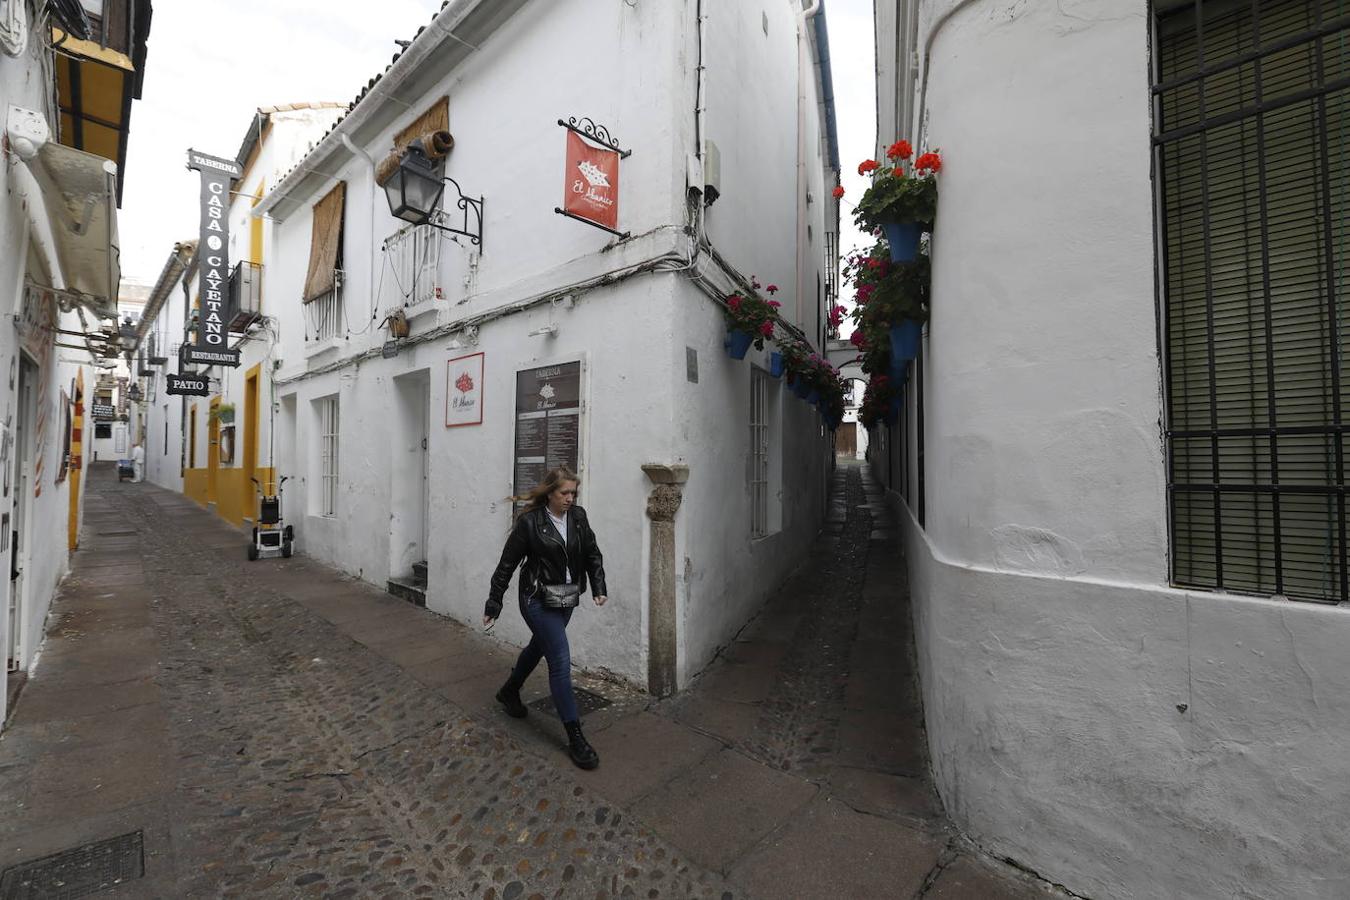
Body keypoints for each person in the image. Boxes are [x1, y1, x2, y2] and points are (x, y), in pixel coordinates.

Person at [485, 467, 607, 769]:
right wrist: (493, 602)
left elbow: (592, 552)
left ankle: (510, 690)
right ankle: (575, 735)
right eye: (564, 493)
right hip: (536, 598)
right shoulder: (530, 523)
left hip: (565, 596)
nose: (569, 498)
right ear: (550, 492)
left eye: (573, 493)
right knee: (560, 660)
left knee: (541, 646)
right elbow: (507, 565)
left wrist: (598, 586)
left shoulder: (578, 517)